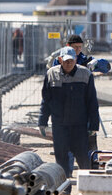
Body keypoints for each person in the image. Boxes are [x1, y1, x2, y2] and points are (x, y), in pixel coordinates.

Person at [39, 46, 100, 175]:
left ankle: (87, 186)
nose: (68, 63)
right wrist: (42, 122)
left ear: (76, 59)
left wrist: (94, 125)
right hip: (59, 126)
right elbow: (46, 101)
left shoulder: (85, 75)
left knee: (83, 158)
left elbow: (92, 102)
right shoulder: (51, 74)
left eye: (71, 60)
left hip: (79, 126)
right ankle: (64, 187)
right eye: (66, 61)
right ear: (60, 60)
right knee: (61, 159)